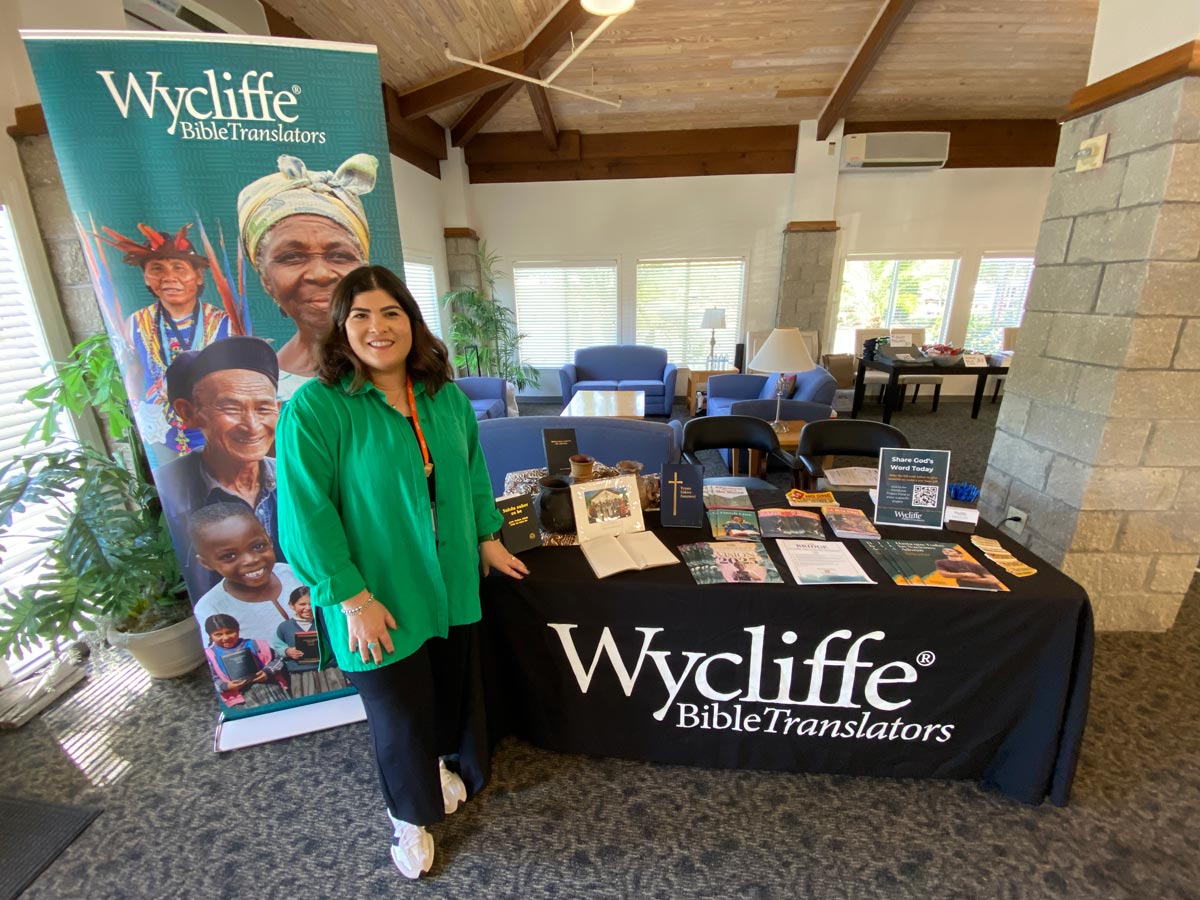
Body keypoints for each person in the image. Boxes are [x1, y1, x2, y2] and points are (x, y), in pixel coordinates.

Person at [275, 265, 528, 880]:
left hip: (449, 580)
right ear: (340, 329)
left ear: (411, 323)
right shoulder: (316, 408)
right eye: (359, 315)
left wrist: (489, 539)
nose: (377, 328)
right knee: (397, 713)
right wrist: (350, 597)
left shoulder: (444, 398)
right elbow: (306, 514)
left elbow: (469, 476)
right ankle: (407, 818)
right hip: (376, 590)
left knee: (444, 693)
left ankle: (439, 767)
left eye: (390, 313)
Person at [238, 154, 376, 398]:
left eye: (340, 256)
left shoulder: (408, 366)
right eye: (292, 257)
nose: (320, 274)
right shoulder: (259, 392)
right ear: (266, 279)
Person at [157, 337, 282, 600]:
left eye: (263, 408)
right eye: (231, 408)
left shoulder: (295, 477)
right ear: (188, 412)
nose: (252, 426)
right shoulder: (169, 489)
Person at [100, 222, 232, 463]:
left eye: (179, 268)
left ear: (198, 276)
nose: (169, 278)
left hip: (215, 431)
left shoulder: (225, 322)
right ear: (146, 279)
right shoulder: (136, 324)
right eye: (157, 269)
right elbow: (133, 368)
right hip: (161, 432)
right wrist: (138, 408)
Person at [190, 502, 306, 645]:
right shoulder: (212, 607)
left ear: (269, 540)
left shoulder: (291, 573)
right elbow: (221, 656)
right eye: (229, 556)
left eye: (258, 546)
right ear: (206, 562)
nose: (251, 560)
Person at [274, 586, 349, 698]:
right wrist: (287, 651)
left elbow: (341, 643)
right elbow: (278, 645)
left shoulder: (326, 622)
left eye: (311, 603)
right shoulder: (284, 627)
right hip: (301, 675)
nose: (308, 608)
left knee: (338, 701)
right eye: (302, 604)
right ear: (291, 605)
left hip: (330, 670)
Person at [203, 613, 290, 709]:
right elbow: (212, 679)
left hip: (269, 689)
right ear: (210, 636)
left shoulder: (255, 644)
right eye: (218, 634)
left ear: (238, 630)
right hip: (241, 699)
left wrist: (267, 672)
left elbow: (278, 659)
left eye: (230, 632)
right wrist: (226, 686)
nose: (226, 637)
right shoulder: (210, 655)